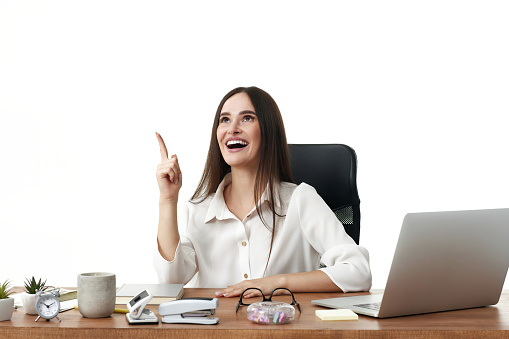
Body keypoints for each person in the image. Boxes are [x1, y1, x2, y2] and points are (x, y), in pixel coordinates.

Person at [154, 86, 371, 299]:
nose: (232, 128)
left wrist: (276, 283)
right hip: (216, 331)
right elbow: (170, 280)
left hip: (284, 330)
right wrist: (168, 199)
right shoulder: (199, 210)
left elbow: (358, 271)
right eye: (225, 119)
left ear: (268, 130)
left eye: (247, 118)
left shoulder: (300, 200)